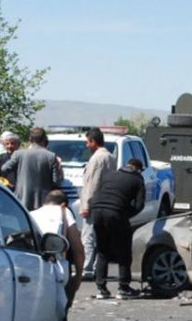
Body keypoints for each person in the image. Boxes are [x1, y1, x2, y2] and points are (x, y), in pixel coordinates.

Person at [89, 158, 145, 299]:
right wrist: (125, 214)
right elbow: (139, 205)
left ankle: (101, 288)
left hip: (96, 211)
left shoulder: (110, 175)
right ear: (138, 169)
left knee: (102, 250)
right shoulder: (137, 180)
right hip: (116, 212)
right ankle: (124, 287)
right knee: (123, 251)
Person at [29, 189, 85, 308]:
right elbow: (78, 248)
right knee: (59, 309)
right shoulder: (64, 211)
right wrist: (78, 276)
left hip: (32, 267)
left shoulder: (31, 214)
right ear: (64, 204)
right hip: (56, 268)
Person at [79, 128, 115, 279]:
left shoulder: (97, 159)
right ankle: (96, 268)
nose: (87, 145)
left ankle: (87, 268)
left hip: (94, 205)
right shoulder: (110, 157)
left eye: (88, 142)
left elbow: (92, 184)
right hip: (105, 204)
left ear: (93, 142)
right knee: (100, 238)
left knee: (88, 238)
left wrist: (86, 206)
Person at [0, 127, 62, 210]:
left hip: (22, 199)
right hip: (43, 201)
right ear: (44, 139)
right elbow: (56, 181)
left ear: (30, 139)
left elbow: (4, 168)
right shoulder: (51, 156)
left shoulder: (19, 154)